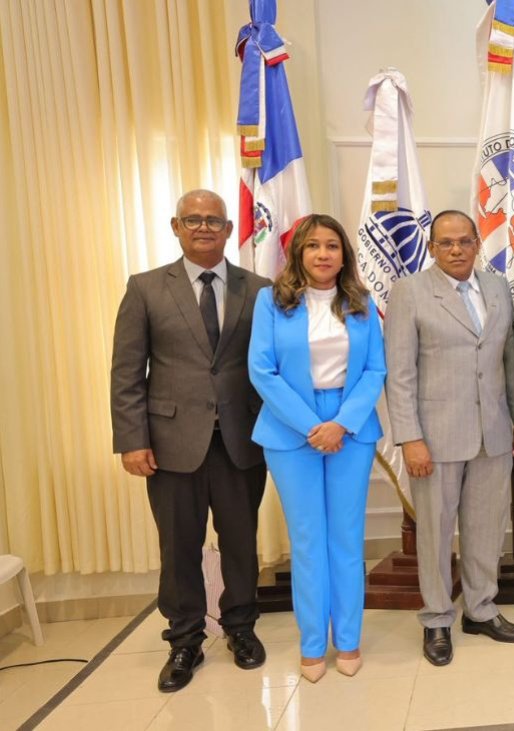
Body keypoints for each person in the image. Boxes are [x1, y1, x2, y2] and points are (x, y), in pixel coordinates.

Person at [111, 190, 271, 692]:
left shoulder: (259, 289)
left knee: (241, 541)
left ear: (228, 230)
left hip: (242, 440)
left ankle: (241, 628)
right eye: (193, 219)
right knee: (179, 545)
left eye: (214, 220)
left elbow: (271, 364)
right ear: (176, 226)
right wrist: (131, 440)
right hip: (170, 443)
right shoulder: (145, 288)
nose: (204, 227)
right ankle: (184, 640)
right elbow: (126, 372)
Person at [385, 210, 514, 668]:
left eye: (465, 241)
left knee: (486, 527)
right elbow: (400, 373)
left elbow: (508, 359)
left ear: (477, 244)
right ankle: (436, 619)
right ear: (432, 247)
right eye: (446, 243)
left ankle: (481, 609)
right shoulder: (410, 292)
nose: (456, 250)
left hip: (494, 430)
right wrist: (410, 437)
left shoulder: (496, 288)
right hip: (435, 436)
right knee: (434, 531)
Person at [248, 214, 386, 682]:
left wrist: (340, 424)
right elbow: (261, 370)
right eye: (313, 246)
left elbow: (375, 370)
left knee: (345, 539)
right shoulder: (271, 302)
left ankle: (347, 639)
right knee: (307, 541)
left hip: (350, 427)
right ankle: (312, 644)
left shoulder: (361, 302)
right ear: (298, 253)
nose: (323, 254)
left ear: (344, 255)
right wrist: (313, 426)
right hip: (291, 429)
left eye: (332, 245)